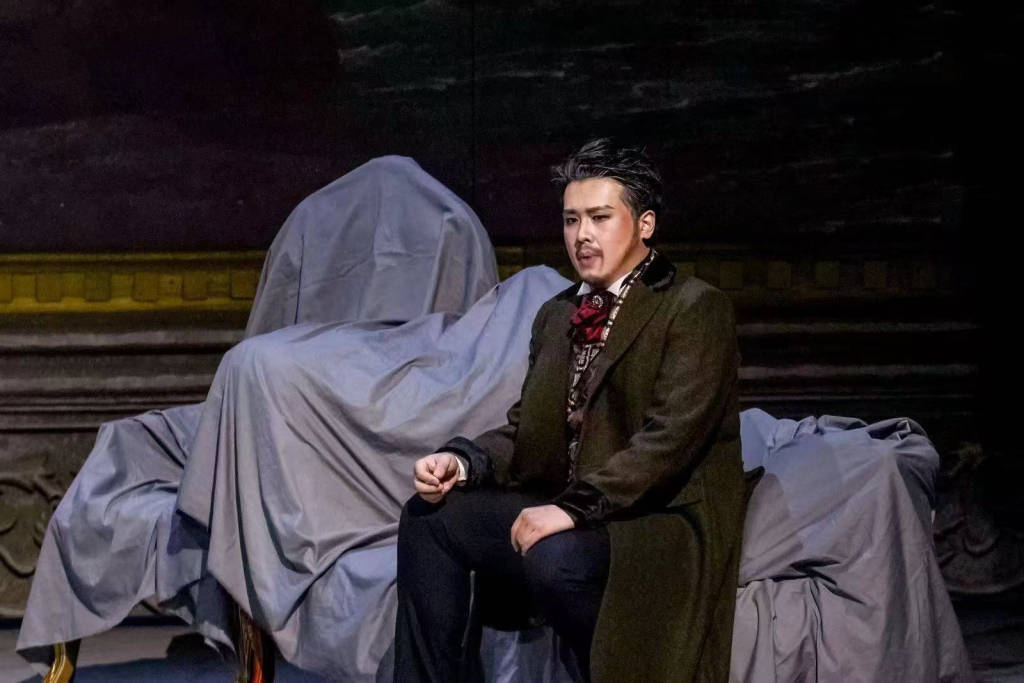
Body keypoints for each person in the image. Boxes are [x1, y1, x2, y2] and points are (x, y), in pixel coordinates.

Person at [394, 138, 747, 682]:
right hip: (580, 507)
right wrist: (462, 463)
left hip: (656, 519)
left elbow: (669, 441)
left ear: (645, 224)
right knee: (430, 519)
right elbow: (529, 431)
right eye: (571, 219)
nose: (582, 235)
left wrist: (572, 509)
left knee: (554, 558)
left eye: (600, 218)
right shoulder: (557, 314)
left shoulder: (694, 308)